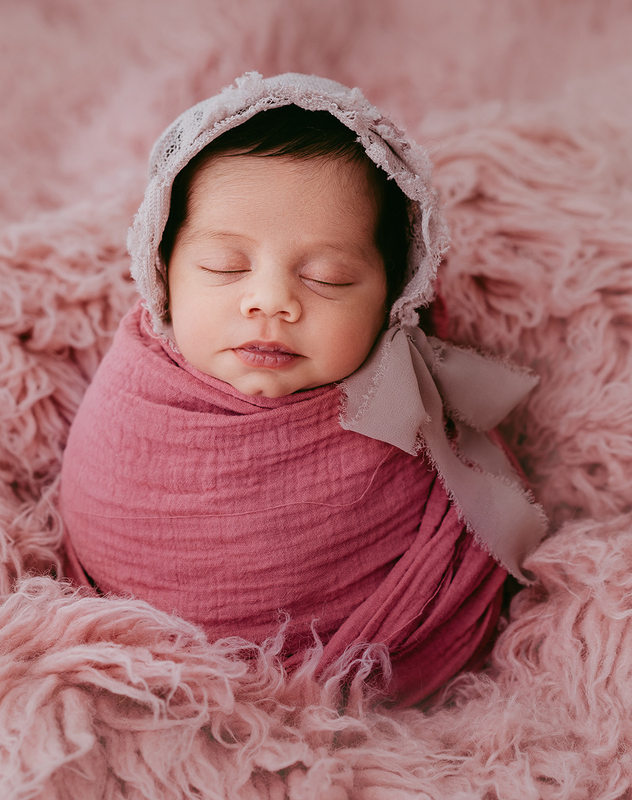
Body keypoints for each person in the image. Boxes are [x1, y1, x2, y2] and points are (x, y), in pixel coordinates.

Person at [59, 72, 547, 706]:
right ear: (162, 269)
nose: (271, 302)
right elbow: (96, 511)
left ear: (394, 300)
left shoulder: (408, 416)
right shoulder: (135, 397)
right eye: (224, 267)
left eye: (329, 278)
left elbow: (474, 523)